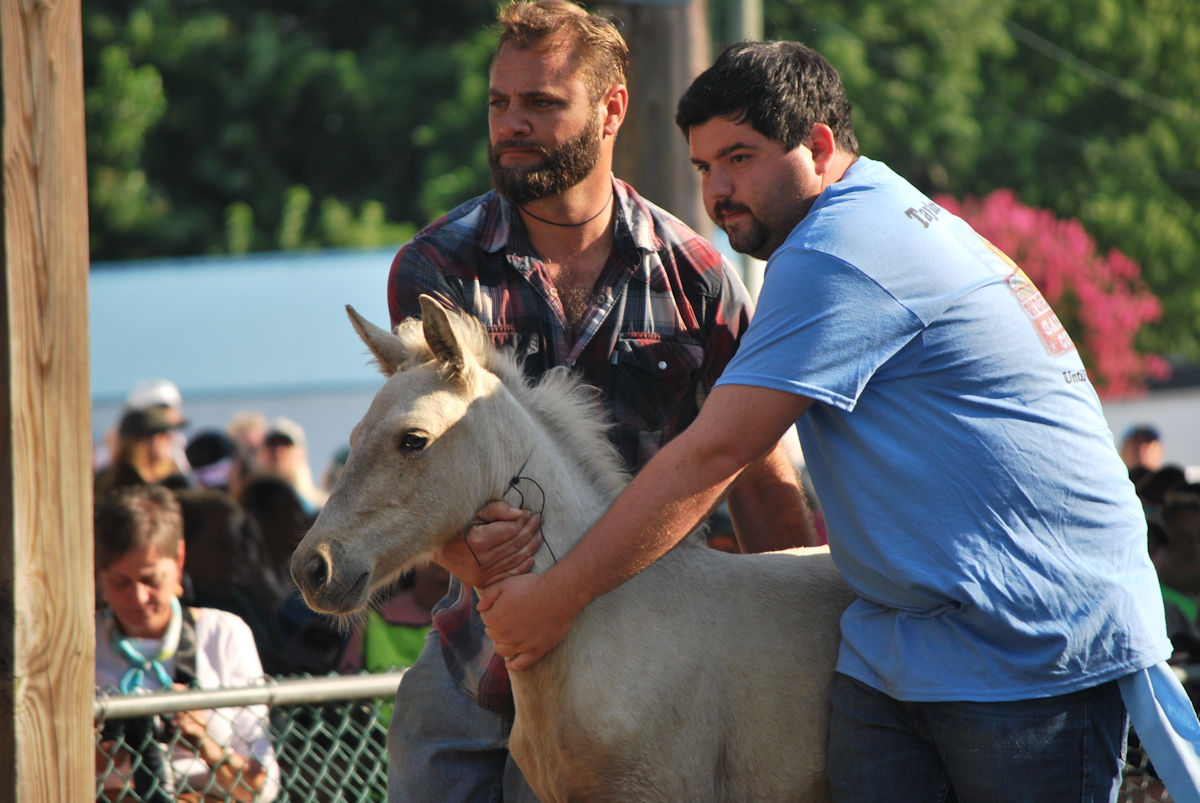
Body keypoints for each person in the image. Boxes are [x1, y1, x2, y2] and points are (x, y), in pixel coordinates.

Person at [478, 41, 1199, 801]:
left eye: (740, 158)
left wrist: (553, 600)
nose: (718, 189)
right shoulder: (872, 216)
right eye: (702, 168)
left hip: (1031, 638)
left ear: (819, 146)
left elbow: (714, 455)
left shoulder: (842, 249)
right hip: (902, 639)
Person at [384, 3, 817, 800]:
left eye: (542, 103)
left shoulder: (697, 276)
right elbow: (409, 470)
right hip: (483, 646)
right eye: (498, 102)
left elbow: (760, 477)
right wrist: (464, 554)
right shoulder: (438, 271)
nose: (511, 123)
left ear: (611, 108)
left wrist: (811, 641)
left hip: (660, 665)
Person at [93, 484, 279, 802]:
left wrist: (205, 743)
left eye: (150, 580)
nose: (137, 597)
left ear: (179, 559)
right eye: (119, 582)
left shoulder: (224, 634)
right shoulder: (82, 642)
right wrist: (97, 755)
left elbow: (261, 788)